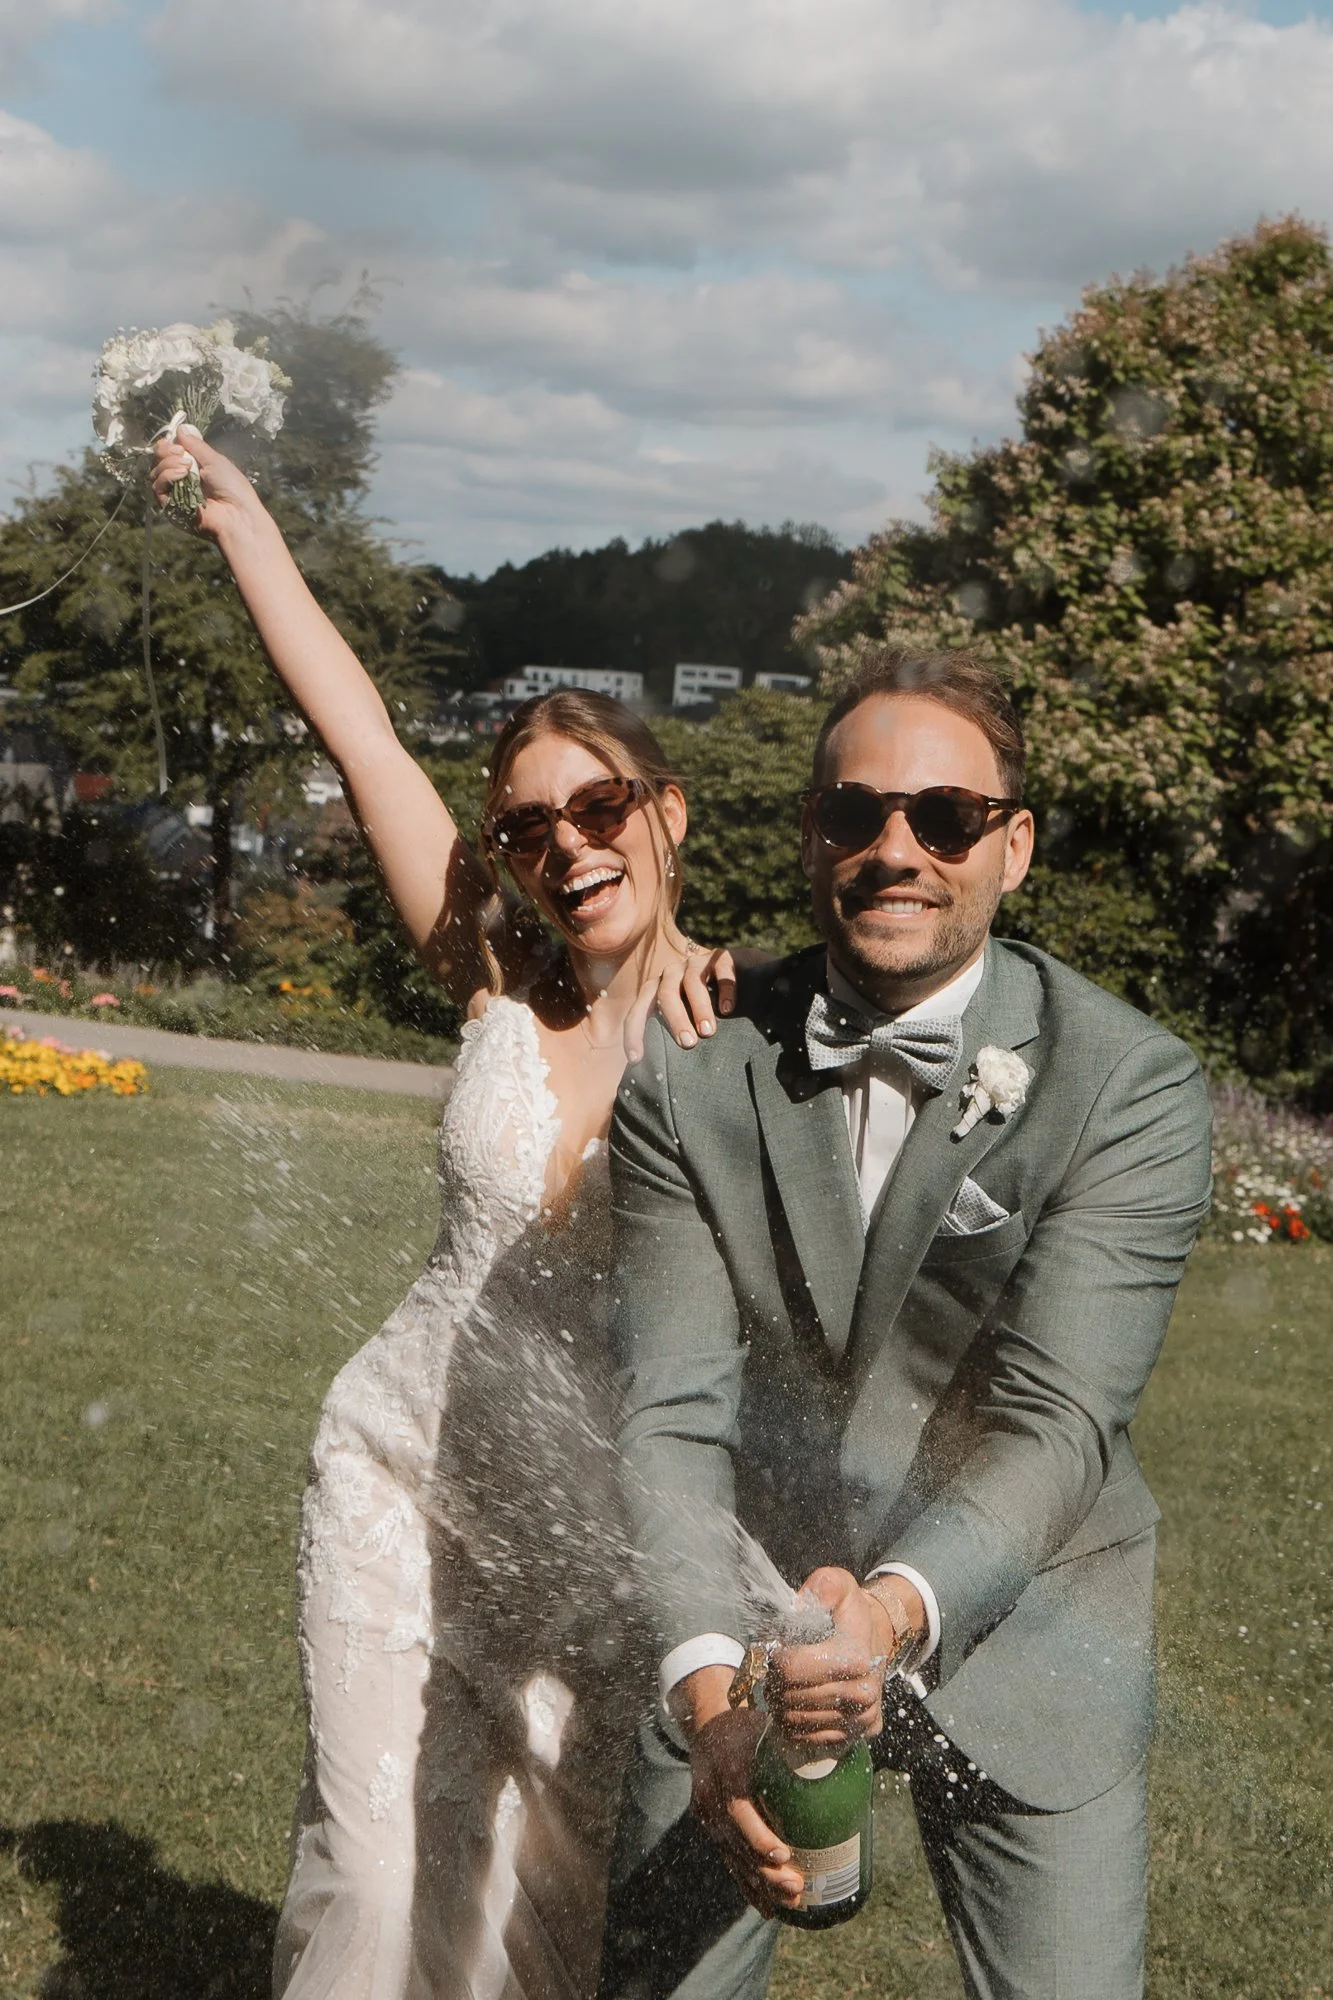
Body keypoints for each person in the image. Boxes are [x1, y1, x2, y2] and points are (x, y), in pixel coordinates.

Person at [151, 429, 736, 2000]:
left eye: (598, 807)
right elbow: (360, 737)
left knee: (528, 1919)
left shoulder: (735, 1031)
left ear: (665, 809)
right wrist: (249, 528)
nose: (565, 848)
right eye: (531, 829)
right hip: (397, 1474)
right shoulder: (494, 963)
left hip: (582, 1544)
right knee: (371, 1860)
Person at [602, 646, 1213, 2000]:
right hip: (745, 1623)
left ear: (1015, 846)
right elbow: (674, 1409)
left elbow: (1060, 1425)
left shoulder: (1127, 1086)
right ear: (812, 832)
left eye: (943, 818)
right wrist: (711, 1684)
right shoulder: (689, 1068)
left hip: (1027, 1628)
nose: (897, 849)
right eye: (856, 812)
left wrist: (882, 1622)